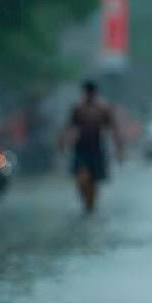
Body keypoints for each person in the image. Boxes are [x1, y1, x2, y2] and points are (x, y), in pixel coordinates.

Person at [62, 80, 124, 213]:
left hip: (96, 147)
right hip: (80, 147)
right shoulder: (78, 108)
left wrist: (119, 149)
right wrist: (64, 142)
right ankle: (86, 202)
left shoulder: (103, 108)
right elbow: (69, 127)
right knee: (82, 178)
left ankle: (91, 206)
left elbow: (114, 129)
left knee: (94, 180)